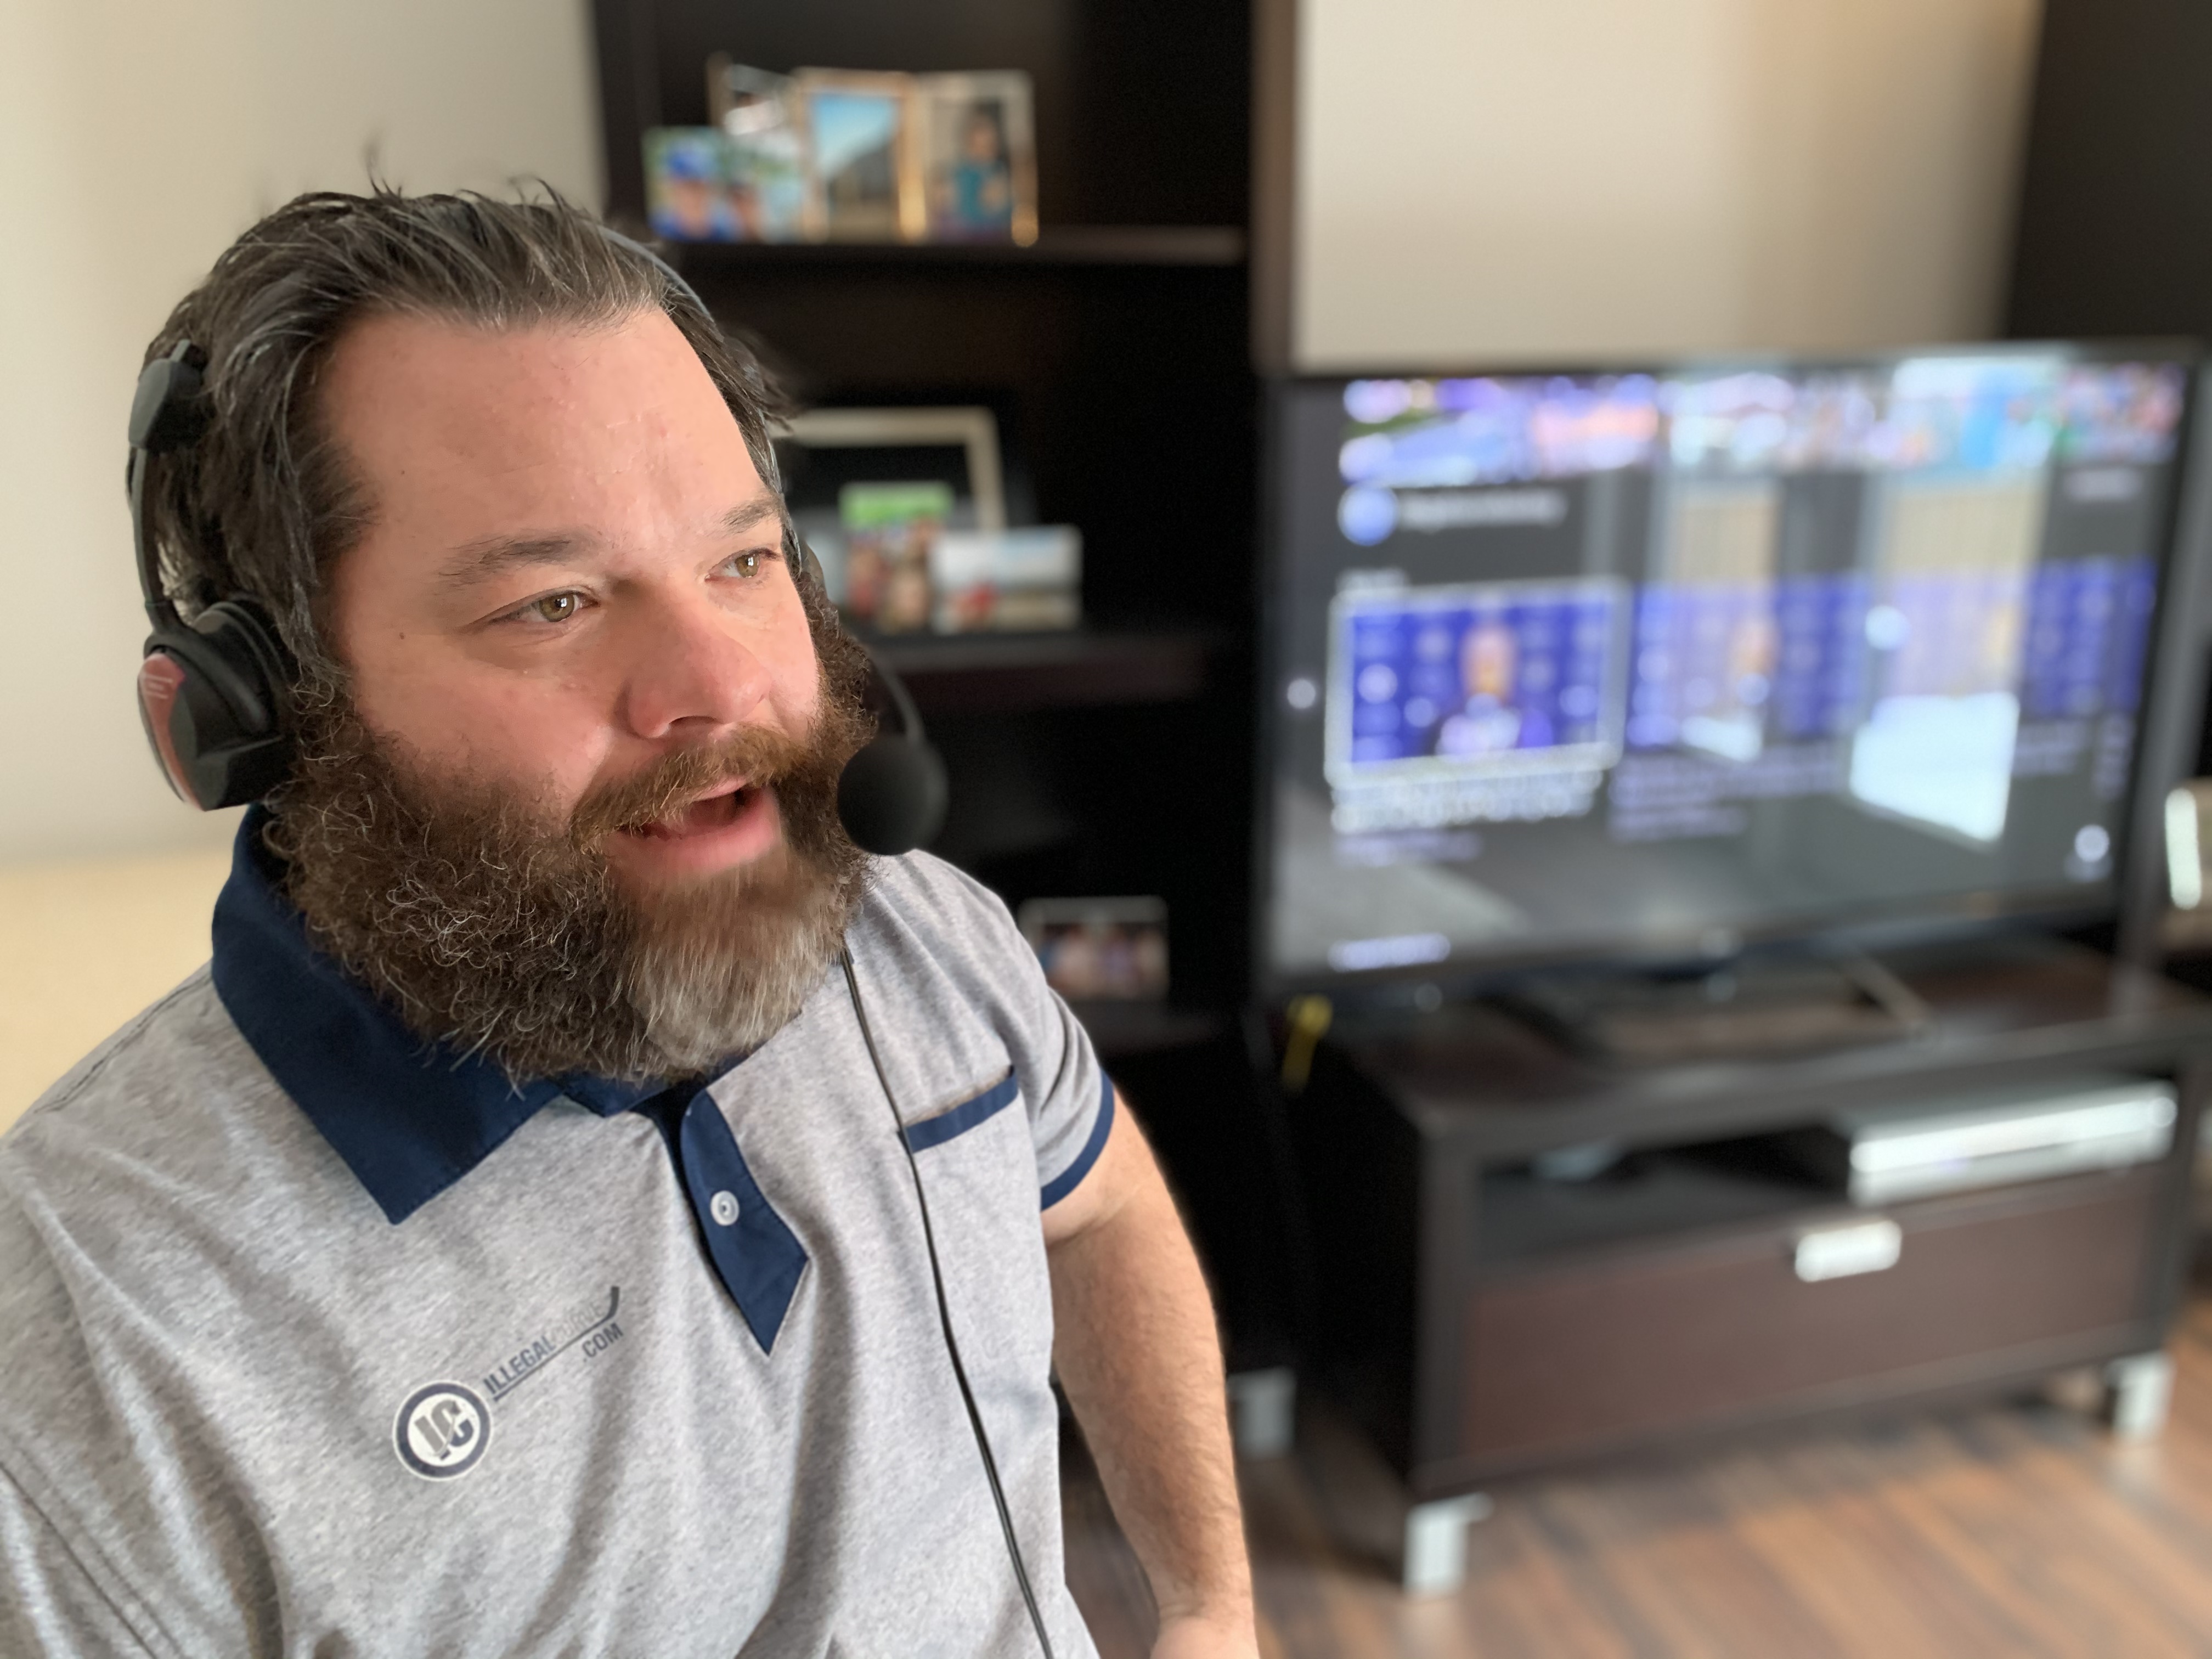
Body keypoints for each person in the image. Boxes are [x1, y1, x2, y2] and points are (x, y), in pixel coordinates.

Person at [0, 190, 1258, 1659]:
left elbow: (1099, 1208)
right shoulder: (89, 1357)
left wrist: (1210, 1606)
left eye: (742, 563)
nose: (718, 687)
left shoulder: (916, 930)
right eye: (555, 603)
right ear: (256, 718)